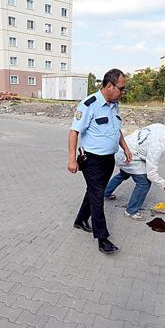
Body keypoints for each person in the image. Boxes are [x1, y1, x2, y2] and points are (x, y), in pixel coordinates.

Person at [68, 69, 133, 255]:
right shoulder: (89, 105)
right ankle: (102, 238)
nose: (123, 92)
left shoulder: (114, 105)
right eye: (121, 88)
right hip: (92, 161)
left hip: (108, 160)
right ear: (109, 86)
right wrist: (72, 159)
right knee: (98, 197)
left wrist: (126, 148)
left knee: (93, 192)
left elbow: (116, 130)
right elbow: (74, 132)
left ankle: (80, 220)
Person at [104, 122, 165, 220]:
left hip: (124, 148)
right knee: (144, 182)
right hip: (127, 154)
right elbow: (151, 173)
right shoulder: (158, 146)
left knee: (124, 174)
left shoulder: (161, 127)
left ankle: (105, 193)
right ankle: (131, 211)